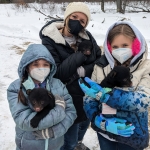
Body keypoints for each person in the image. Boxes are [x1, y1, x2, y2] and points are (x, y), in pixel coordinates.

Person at [39, 2, 101, 150]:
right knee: (68, 139)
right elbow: (59, 72)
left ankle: (78, 143)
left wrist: (82, 71)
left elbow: (99, 60)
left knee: (84, 124)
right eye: (74, 16)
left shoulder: (88, 38)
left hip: (86, 95)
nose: (77, 22)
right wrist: (80, 55)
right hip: (66, 98)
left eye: (82, 21)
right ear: (67, 17)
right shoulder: (50, 39)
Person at [79, 21, 150, 150]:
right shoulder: (100, 66)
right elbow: (89, 99)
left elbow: (143, 100)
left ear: (135, 45)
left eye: (125, 45)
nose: (120, 50)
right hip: (105, 132)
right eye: (115, 47)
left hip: (131, 134)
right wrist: (97, 120)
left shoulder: (146, 67)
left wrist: (106, 95)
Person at [7, 44, 77, 150]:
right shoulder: (16, 88)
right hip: (28, 146)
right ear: (27, 66)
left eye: (45, 64)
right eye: (36, 64)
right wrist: (59, 109)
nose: (41, 68)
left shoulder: (58, 84)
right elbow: (25, 121)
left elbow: (71, 113)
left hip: (55, 145)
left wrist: (54, 131)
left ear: (51, 66)